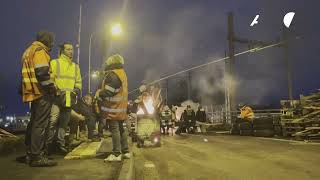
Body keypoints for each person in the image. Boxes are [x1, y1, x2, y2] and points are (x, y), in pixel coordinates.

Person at [21, 30, 57, 167]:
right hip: (42, 93)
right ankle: (37, 156)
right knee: (40, 124)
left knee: (34, 122)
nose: (52, 43)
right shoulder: (40, 51)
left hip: (33, 91)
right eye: (51, 40)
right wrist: (52, 89)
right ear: (47, 40)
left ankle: (30, 154)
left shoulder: (29, 50)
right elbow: (42, 73)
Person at [46, 42, 82, 155]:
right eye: (68, 49)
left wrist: (75, 91)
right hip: (56, 98)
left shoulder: (75, 67)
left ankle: (60, 145)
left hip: (68, 99)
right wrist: (55, 90)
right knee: (52, 121)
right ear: (62, 51)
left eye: (72, 49)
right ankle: (47, 146)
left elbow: (79, 82)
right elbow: (50, 79)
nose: (71, 51)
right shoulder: (54, 63)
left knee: (63, 124)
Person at [96, 54, 130, 162]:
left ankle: (116, 154)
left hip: (114, 108)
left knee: (115, 129)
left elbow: (109, 92)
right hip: (121, 107)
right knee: (121, 129)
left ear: (112, 63)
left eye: (107, 62)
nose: (106, 64)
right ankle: (125, 151)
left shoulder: (113, 74)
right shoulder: (122, 73)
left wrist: (99, 93)